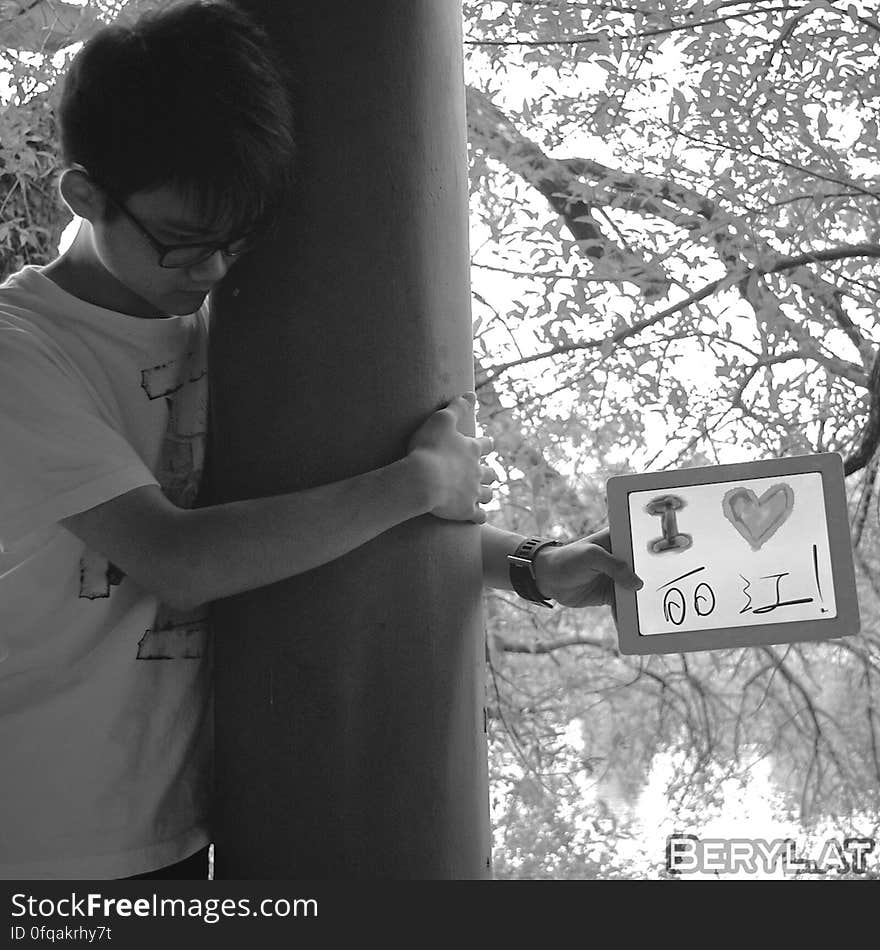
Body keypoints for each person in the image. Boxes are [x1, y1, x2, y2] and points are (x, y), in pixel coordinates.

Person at [0, 0, 642, 880]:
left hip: (185, 835)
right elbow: (176, 556)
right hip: (39, 850)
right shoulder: (19, 353)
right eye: (185, 243)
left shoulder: (222, 319)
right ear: (85, 195)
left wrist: (530, 565)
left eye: (238, 240)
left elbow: (294, 520)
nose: (216, 271)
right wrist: (418, 484)